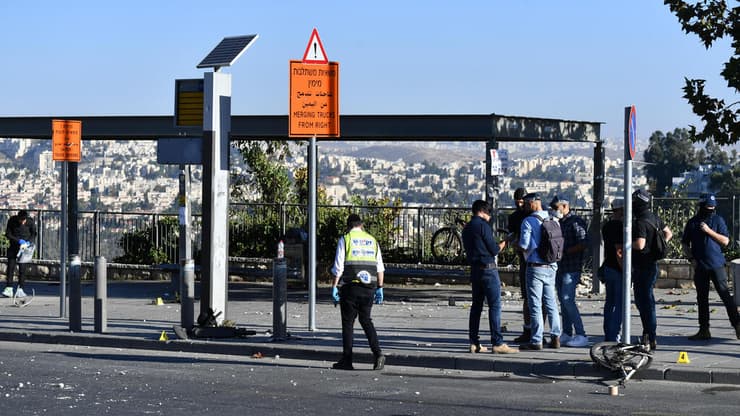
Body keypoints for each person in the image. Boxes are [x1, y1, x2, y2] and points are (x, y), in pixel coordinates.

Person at [330, 214, 386, 370]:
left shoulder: (345, 239)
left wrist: (334, 286)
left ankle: (347, 360)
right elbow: (380, 267)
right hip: (369, 288)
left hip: (351, 288)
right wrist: (380, 288)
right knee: (366, 320)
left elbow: (338, 267)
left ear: (348, 226)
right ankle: (378, 354)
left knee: (348, 324)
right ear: (361, 225)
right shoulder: (372, 241)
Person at [461, 199, 518, 354]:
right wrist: (505, 243)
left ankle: (474, 342)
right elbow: (493, 250)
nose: (490, 216)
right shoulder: (482, 226)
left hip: (475, 270)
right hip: (488, 269)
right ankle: (497, 342)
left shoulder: (466, 228)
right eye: (489, 212)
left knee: (476, 307)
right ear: (483, 211)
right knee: (495, 306)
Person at [681, 193, 740, 341]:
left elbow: (725, 241)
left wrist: (708, 231)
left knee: (725, 296)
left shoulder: (717, 220)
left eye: (713, 207)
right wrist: (691, 259)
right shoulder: (692, 222)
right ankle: (704, 329)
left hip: (716, 265)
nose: (711, 209)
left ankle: (738, 325)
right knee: (702, 298)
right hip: (700, 266)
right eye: (708, 207)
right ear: (701, 206)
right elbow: (684, 244)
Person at [518, 193, 561, 350]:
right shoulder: (554, 219)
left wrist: (516, 244)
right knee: (551, 303)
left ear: (532, 204)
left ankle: (536, 340)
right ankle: (556, 337)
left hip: (535, 267)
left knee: (535, 304)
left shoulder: (528, 221)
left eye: (526, 204)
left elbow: (524, 244)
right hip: (551, 266)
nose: (525, 207)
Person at [632, 189, 672, 349]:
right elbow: (668, 233)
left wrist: (626, 243)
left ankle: (649, 335)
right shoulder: (654, 217)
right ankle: (649, 334)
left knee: (645, 302)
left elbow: (640, 244)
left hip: (642, 265)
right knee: (648, 300)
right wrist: (658, 244)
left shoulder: (640, 221)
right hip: (652, 263)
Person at [550, 196, 589, 347]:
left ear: (564, 206)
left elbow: (583, 243)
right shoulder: (560, 223)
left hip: (571, 267)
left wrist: (565, 251)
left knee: (567, 299)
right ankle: (567, 332)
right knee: (562, 300)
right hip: (561, 267)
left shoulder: (575, 222)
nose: (554, 210)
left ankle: (581, 333)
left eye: (556, 207)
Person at [507, 187, 532, 343]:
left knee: (536, 298)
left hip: (532, 259)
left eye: (522, 202)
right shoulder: (516, 217)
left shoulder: (532, 216)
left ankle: (534, 330)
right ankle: (529, 330)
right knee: (528, 297)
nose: (520, 205)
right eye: (518, 203)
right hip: (524, 259)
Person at [601, 198, 625, 342]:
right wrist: (625, 270)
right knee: (620, 305)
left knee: (610, 303)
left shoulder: (607, 226)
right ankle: (614, 335)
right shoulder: (619, 227)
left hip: (608, 267)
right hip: (618, 269)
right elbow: (619, 251)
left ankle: (608, 333)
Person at [4, 210, 37, 298]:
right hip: (14, 245)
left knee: (22, 269)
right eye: (21, 220)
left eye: (24, 220)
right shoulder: (12, 221)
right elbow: (8, 234)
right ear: (18, 218)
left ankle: (20, 289)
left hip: (25, 248)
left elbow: (34, 234)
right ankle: (9, 288)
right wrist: (18, 241)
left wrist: (28, 242)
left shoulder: (30, 222)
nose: (22, 222)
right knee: (10, 267)